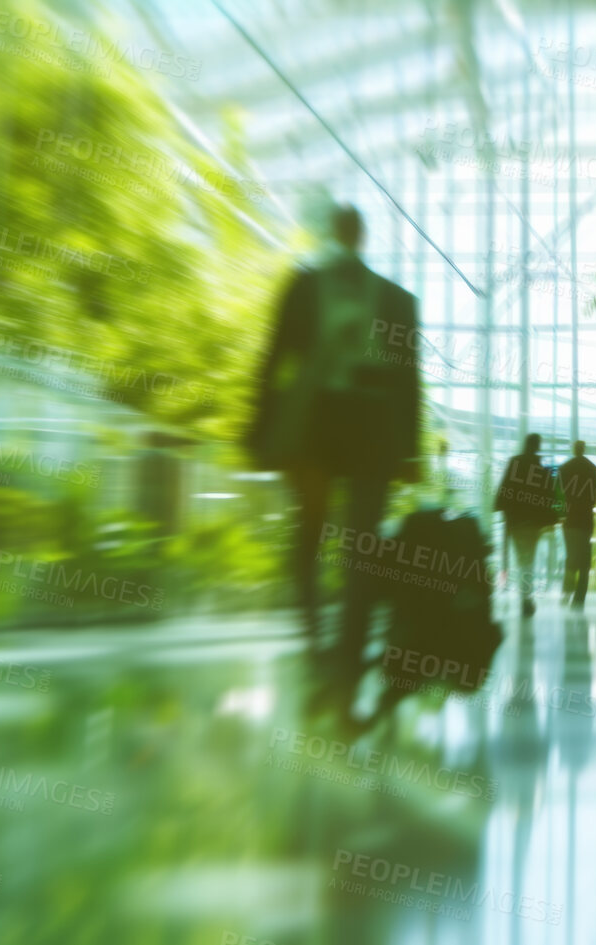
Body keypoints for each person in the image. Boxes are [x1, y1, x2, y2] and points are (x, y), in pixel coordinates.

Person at [244, 204, 422, 711]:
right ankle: (319, 652)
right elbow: (274, 356)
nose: (346, 235)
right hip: (313, 423)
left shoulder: (394, 300)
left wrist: (410, 449)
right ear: (340, 232)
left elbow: (408, 376)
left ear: (357, 234)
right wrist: (260, 433)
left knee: (361, 550)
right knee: (311, 536)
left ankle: (343, 668)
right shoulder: (303, 287)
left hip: (370, 426)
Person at [493, 433, 556, 617]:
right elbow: (548, 494)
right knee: (529, 560)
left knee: (522, 560)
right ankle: (526, 598)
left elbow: (504, 489)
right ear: (537, 446)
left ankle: (525, 597)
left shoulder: (514, 463)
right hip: (533, 522)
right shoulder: (540, 468)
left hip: (515, 521)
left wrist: (503, 509)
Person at [555, 440, 596, 609]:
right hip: (585, 519)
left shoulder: (564, 469)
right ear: (584, 450)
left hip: (568, 520)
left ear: (573, 449)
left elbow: (556, 495)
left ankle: (567, 591)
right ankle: (580, 596)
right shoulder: (592, 469)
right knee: (584, 556)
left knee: (571, 555)